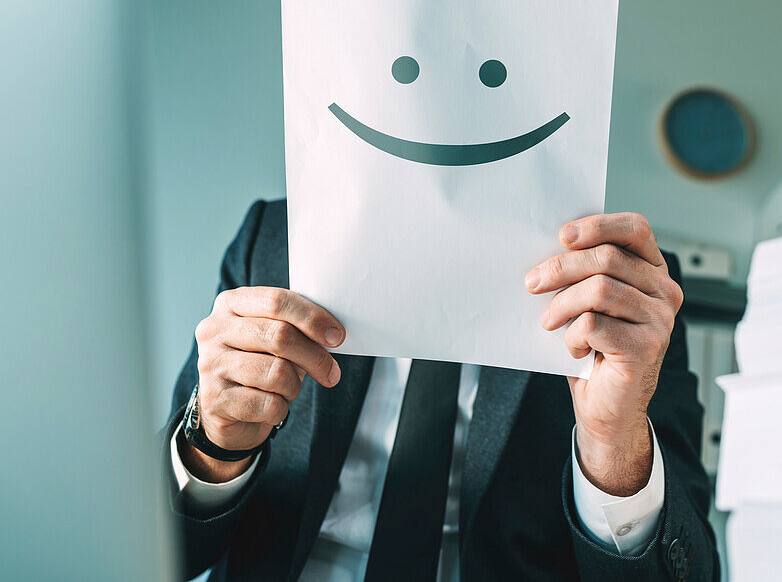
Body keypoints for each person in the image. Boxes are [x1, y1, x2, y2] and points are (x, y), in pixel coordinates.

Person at [163, 199, 717, 580]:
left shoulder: (621, 287)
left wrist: (614, 445)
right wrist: (215, 444)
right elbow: (164, 553)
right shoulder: (275, 242)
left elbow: (686, 569)